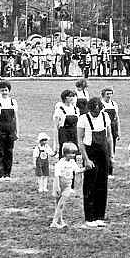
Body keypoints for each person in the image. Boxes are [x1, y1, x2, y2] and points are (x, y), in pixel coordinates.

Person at [76, 97, 113, 227]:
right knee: (90, 185)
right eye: (94, 111)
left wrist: (111, 155)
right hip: (90, 153)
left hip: (103, 153)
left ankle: (99, 216)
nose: (96, 113)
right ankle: (89, 218)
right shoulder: (83, 119)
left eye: (98, 111)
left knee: (102, 184)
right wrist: (86, 159)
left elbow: (109, 137)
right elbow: (80, 141)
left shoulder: (105, 117)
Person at [50, 143, 85, 228]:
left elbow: (77, 170)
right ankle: (58, 221)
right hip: (59, 184)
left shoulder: (72, 162)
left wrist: (86, 168)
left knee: (61, 204)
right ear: (65, 153)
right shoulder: (60, 163)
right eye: (71, 153)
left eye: (74, 153)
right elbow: (57, 175)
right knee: (58, 204)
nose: (73, 155)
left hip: (67, 185)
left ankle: (55, 221)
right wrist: (57, 186)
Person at [0, 80, 19, 180]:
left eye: (6, 90)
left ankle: (7, 174)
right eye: (2, 90)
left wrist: (17, 131)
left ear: (9, 91)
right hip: (0, 129)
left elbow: (16, 118)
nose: (4, 92)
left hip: (10, 129)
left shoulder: (13, 102)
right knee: (0, 152)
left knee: (9, 152)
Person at [100, 87, 120, 179]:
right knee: (104, 149)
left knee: (112, 149)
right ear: (103, 94)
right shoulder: (100, 104)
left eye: (110, 94)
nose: (109, 96)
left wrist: (118, 131)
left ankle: (110, 171)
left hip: (113, 127)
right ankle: (104, 170)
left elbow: (117, 118)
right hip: (104, 128)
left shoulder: (114, 104)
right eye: (107, 94)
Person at [53, 89, 79, 156]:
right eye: (69, 96)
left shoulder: (75, 109)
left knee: (73, 152)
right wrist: (55, 143)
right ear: (64, 97)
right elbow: (56, 127)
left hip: (73, 133)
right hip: (64, 133)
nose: (71, 98)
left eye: (72, 96)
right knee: (64, 153)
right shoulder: (59, 109)